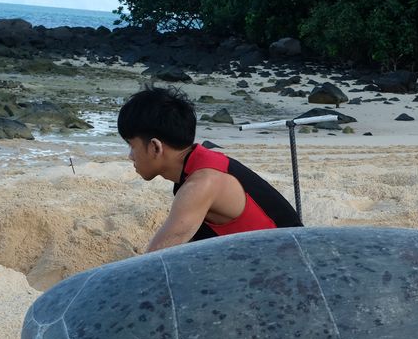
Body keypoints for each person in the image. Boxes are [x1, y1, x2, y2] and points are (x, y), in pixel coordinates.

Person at [117, 86, 302, 251]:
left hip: (291, 262)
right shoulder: (202, 162)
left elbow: (156, 258)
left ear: (155, 147)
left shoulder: (201, 184)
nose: (130, 155)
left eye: (132, 146)